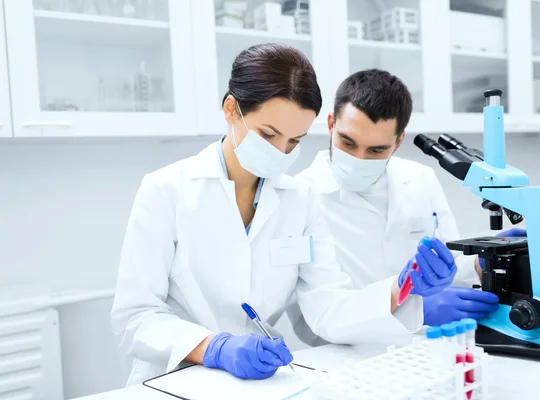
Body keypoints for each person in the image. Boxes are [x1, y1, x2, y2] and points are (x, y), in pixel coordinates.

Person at [111, 46, 458, 385]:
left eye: (294, 141)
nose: (280, 152)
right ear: (232, 109)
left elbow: (326, 308)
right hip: (173, 381)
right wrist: (213, 347)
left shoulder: (299, 200)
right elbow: (135, 317)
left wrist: (401, 289)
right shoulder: (166, 189)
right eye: (268, 134)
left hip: (261, 382)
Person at [295, 69, 509, 332]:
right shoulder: (301, 196)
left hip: (424, 347)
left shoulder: (420, 178)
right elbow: (322, 311)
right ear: (331, 124)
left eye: (376, 149)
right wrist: (412, 307)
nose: (359, 159)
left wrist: (482, 261)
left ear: (397, 142)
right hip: (344, 357)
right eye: (348, 143)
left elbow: (449, 264)